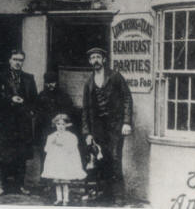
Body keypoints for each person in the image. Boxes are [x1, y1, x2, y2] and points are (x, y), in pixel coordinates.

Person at [81, 47, 132, 206]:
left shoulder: (115, 77)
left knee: (115, 158)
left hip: (115, 127)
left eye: (98, 57)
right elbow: (86, 109)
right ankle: (105, 194)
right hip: (98, 128)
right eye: (92, 58)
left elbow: (127, 99)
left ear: (103, 59)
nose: (95, 60)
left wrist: (127, 122)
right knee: (101, 159)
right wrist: (87, 132)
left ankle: (119, 197)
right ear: (90, 62)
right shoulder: (89, 83)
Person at [0, 49, 38, 195]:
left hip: (22, 122)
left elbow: (34, 99)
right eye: (15, 59)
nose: (18, 62)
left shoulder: (29, 78)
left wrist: (29, 110)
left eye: (20, 60)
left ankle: (20, 185)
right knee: (3, 154)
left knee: (21, 155)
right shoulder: (0, 77)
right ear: (9, 60)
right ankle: (0, 185)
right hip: (5, 122)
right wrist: (10, 99)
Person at [41, 113, 86, 206]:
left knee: (64, 181)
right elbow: (46, 149)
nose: (61, 126)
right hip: (56, 161)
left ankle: (66, 199)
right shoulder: (51, 136)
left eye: (63, 124)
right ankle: (59, 198)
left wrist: (61, 144)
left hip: (65, 162)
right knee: (57, 181)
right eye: (58, 124)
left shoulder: (70, 136)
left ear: (66, 125)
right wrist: (52, 143)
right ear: (55, 125)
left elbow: (72, 148)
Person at [34, 71, 75, 159]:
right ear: (45, 83)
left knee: (60, 158)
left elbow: (69, 111)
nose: (50, 85)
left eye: (52, 82)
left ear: (56, 82)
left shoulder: (64, 96)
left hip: (60, 132)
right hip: (46, 133)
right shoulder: (41, 96)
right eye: (48, 83)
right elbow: (38, 116)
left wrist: (61, 117)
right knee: (45, 158)